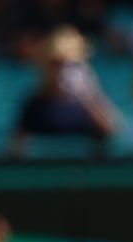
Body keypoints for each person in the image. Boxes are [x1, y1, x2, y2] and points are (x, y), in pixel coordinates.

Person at [11, 25, 119, 156]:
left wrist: (88, 95)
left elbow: (112, 133)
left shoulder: (91, 102)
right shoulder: (34, 104)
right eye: (56, 63)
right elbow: (16, 147)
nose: (62, 70)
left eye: (70, 64)